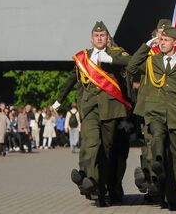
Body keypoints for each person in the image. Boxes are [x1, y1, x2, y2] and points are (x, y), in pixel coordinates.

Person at [56, 21, 132, 207]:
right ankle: (89, 179)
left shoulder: (115, 53)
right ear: (91, 39)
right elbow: (72, 79)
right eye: (96, 36)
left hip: (111, 109)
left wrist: (111, 60)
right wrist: (59, 100)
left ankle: (100, 188)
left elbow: (131, 61)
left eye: (102, 35)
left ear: (107, 38)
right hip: (90, 109)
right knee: (91, 143)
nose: (99, 38)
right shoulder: (84, 58)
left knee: (105, 151)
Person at [127, 26, 176, 211]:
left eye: (166, 40)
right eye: (161, 39)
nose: (162, 42)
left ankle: (172, 196)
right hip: (155, 112)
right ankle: (157, 161)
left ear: (175, 42)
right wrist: (148, 44)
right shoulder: (151, 61)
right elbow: (131, 66)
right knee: (157, 135)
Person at [128, 19, 171, 201]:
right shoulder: (149, 52)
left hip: (170, 106)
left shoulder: (174, 52)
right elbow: (131, 66)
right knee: (148, 145)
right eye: (160, 31)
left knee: (166, 148)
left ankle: (159, 184)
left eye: (166, 32)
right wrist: (147, 46)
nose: (162, 35)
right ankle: (149, 179)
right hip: (148, 106)